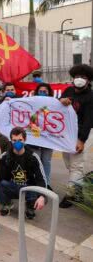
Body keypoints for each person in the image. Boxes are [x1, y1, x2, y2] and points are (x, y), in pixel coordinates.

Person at [59, 64, 93, 208]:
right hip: (67, 133)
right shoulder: (68, 90)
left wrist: (81, 140)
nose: (79, 79)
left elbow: (88, 120)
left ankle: (71, 195)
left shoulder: (91, 96)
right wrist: (62, 101)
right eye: (77, 77)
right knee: (68, 162)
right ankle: (80, 185)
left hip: (83, 133)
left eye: (83, 77)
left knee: (76, 165)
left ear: (89, 80)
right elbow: (58, 106)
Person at [0, 127, 47, 219]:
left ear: (25, 140)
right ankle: (7, 204)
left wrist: (42, 196)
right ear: (11, 141)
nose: (17, 143)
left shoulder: (33, 157)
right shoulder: (5, 156)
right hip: (12, 186)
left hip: (28, 187)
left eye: (20, 140)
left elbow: (41, 178)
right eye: (14, 140)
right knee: (2, 183)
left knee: (35, 187)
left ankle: (30, 206)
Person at [28, 83, 54, 188]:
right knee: (36, 160)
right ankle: (37, 182)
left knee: (46, 161)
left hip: (48, 138)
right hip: (36, 137)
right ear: (37, 92)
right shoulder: (32, 103)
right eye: (41, 91)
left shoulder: (54, 104)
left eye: (45, 91)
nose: (42, 93)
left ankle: (46, 184)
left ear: (49, 93)